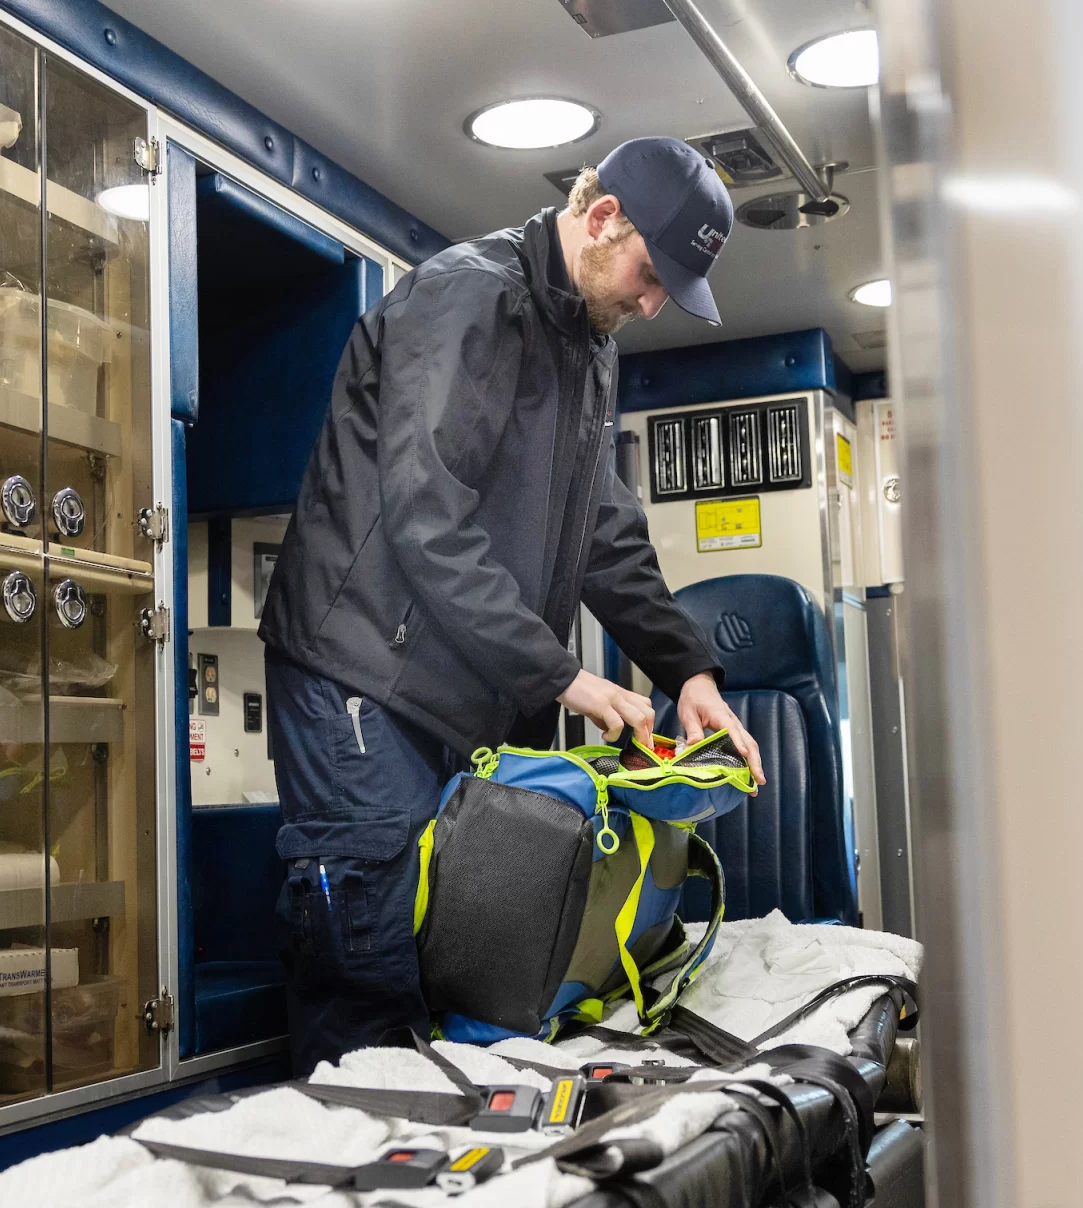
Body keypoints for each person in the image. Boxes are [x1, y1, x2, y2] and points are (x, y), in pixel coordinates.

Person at [258, 136, 767, 1070]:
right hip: (359, 671)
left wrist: (686, 668)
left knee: (463, 950)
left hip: (455, 688)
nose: (650, 304)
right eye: (652, 276)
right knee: (375, 955)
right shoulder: (469, 297)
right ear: (603, 216)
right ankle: (349, 1188)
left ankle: (443, 1188)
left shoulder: (587, 343)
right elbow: (426, 518)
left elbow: (601, 528)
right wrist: (562, 676)